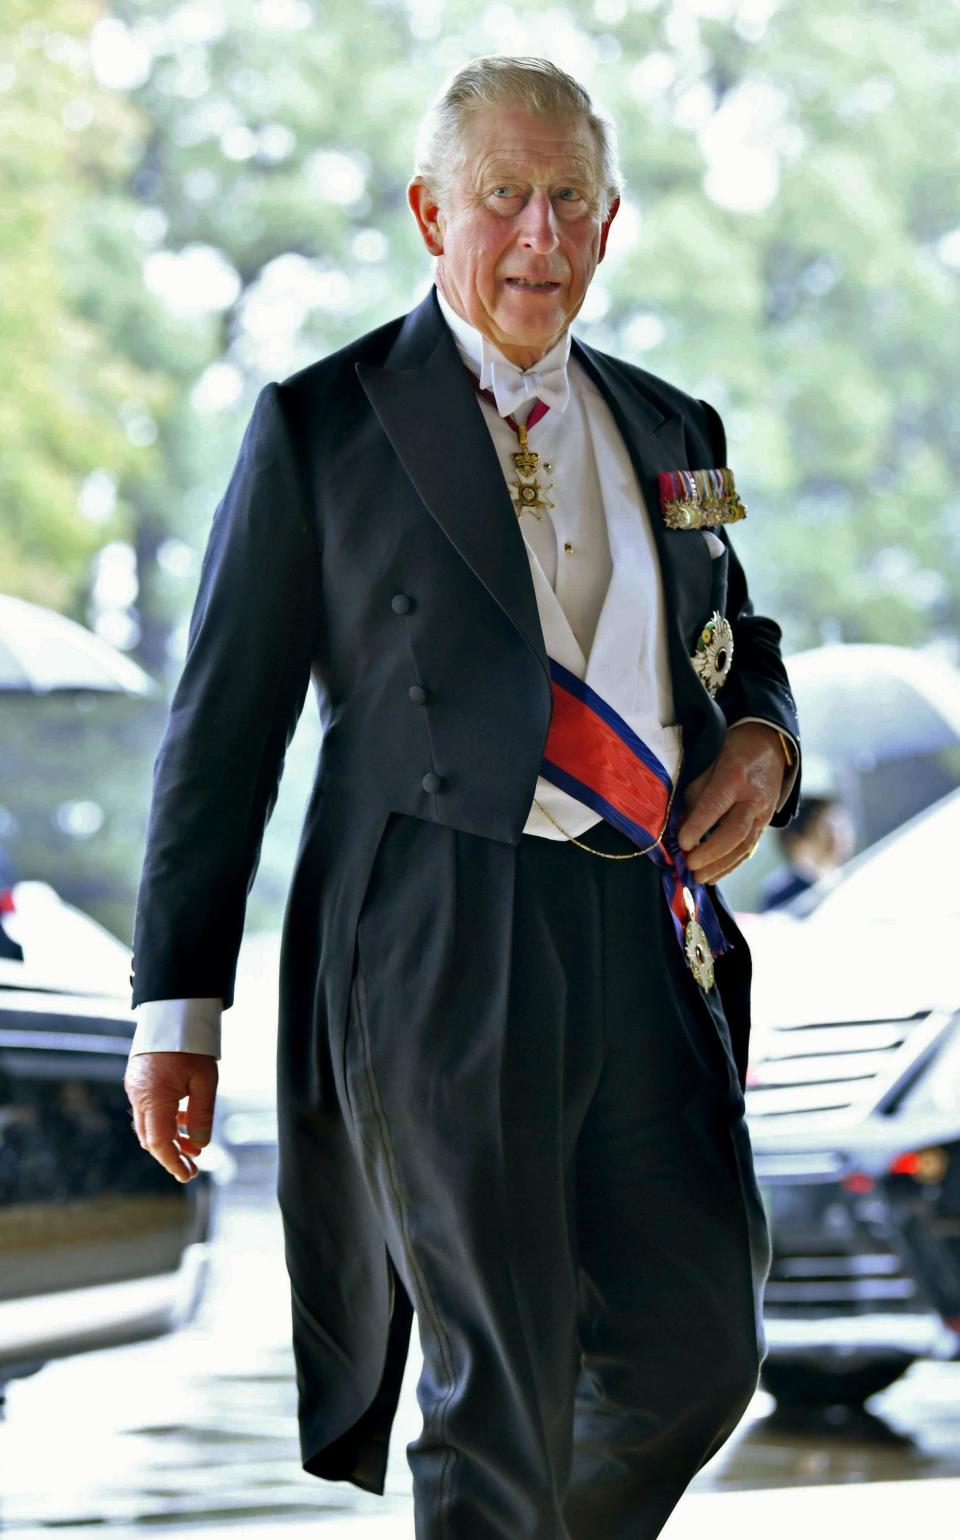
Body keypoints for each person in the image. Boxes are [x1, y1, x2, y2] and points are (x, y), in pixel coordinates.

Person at [124, 57, 801, 1540]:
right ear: (435, 210)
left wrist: (762, 738)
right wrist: (177, 1010)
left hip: (639, 926)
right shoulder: (321, 428)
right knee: (497, 1380)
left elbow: (739, 639)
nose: (538, 236)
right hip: (434, 941)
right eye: (504, 197)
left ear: (611, 225)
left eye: (568, 200)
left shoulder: (681, 428)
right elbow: (220, 737)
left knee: (699, 1353)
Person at [759, 794, 853, 911]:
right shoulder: (781, 895)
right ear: (795, 839)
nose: (839, 836)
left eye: (842, 826)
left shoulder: (853, 876)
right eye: (827, 828)